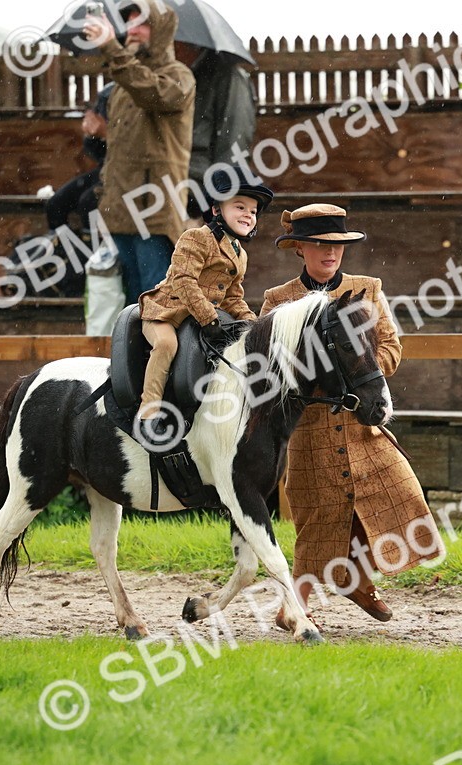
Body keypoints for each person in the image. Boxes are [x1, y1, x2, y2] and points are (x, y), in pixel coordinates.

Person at [261, 204, 444, 626]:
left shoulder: (368, 289)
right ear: (300, 248)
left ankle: (357, 579)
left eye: (338, 245)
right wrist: (319, 376)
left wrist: (356, 373)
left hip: (365, 421)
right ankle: (297, 605)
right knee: (318, 516)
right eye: (321, 244)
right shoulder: (278, 299)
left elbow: (391, 348)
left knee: (397, 493)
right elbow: (268, 364)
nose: (331, 253)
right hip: (309, 427)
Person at [136, 173, 274, 440]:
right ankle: (148, 411)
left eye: (253, 211)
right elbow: (184, 281)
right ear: (216, 210)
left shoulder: (240, 254)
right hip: (167, 313)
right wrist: (210, 319)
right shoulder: (196, 237)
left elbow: (233, 297)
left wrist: (254, 326)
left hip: (202, 320)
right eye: (240, 207)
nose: (248, 215)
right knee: (167, 345)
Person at [84, 2, 195, 306]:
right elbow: (114, 153)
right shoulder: (121, 87)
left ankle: (158, 356)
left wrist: (110, 47)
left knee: (156, 304)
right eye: (129, 23)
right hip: (119, 213)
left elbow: (151, 91)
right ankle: (130, 356)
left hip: (154, 213)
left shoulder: (179, 76)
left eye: (141, 23)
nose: (131, 29)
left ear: (160, 31)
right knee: (130, 307)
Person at [174, 42, 257, 218]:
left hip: (197, 192)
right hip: (173, 187)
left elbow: (233, 140)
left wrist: (220, 203)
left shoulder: (228, 77)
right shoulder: (175, 75)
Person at [44, 84, 113, 232]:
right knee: (55, 204)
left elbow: (136, 147)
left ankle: (96, 250)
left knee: (89, 203)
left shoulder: (139, 97)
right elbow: (98, 154)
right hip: (107, 169)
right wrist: (92, 135)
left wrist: (107, 133)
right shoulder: (107, 94)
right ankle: (64, 249)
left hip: (128, 172)